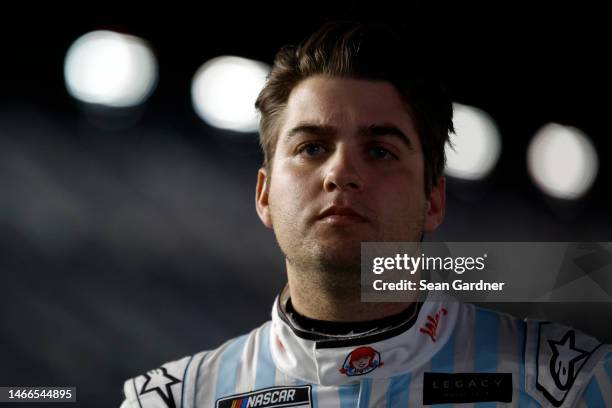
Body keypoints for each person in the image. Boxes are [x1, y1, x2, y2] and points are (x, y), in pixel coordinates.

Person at [120, 21, 611, 407]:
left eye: (379, 151)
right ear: (264, 195)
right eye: (312, 147)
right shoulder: (173, 398)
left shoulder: (571, 385)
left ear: (433, 199)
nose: (341, 173)